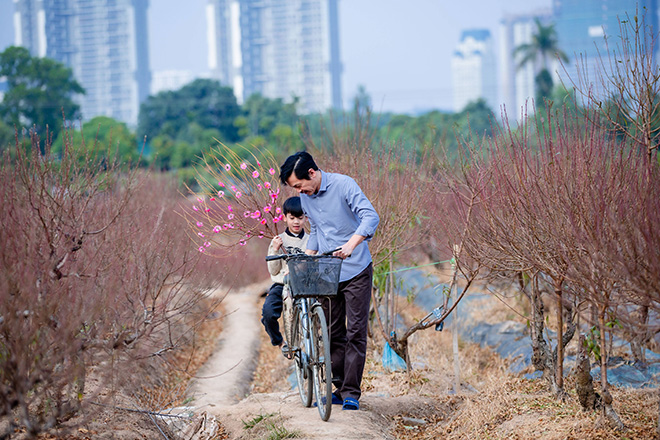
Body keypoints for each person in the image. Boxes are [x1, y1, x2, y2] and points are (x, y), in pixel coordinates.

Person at [279, 151, 379, 411]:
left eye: (300, 185)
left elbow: (371, 217)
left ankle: (351, 394)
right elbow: (317, 231)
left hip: (355, 268)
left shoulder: (344, 185)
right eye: (295, 188)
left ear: (312, 173)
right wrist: (307, 258)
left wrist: (351, 244)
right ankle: (337, 387)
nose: (300, 191)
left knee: (355, 331)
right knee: (332, 331)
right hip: (326, 271)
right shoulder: (306, 197)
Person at [261, 196, 309, 357]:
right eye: (292, 218)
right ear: (284, 218)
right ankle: (281, 343)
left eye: (300, 218)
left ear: (306, 217)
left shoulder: (311, 241)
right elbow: (273, 271)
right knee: (268, 313)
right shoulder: (279, 240)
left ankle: (318, 342)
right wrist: (275, 249)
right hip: (282, 283)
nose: (296, 222)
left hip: (305, 285)